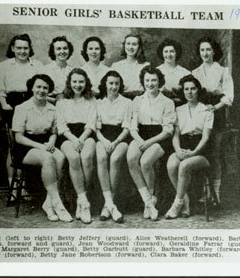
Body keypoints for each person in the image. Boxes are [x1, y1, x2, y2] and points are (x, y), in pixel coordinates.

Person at [12, 74, 72, 222]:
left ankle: (48, 203)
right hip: (26, 146)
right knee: (48, 158)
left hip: (45, 143)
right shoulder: (22, 108)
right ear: (32, 88)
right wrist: (41, 147)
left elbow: (53, 132)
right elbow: (18, 137)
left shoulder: (53, 109)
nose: (41, 90)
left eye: (45, 88)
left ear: (49, 90)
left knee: (60, 157)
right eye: (38, 86)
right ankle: (58, 205)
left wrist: (51, 143)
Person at [0, 33, 43, 197]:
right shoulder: (4, 65)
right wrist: (6, 107)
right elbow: (0, 92)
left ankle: (28, 186)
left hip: (32, 104)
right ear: (13, 48)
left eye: (26, 48)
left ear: (30, 49)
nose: (22, 51)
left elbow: (41, 86)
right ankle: (14, 188)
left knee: (31, 143)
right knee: (14, 147)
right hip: (12, 105)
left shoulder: (37, 65)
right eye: (19, 48)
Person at [127, 65, 176, 221]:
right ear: (143, 81)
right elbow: (132, 127)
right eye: (147, 80)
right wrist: (140, 140)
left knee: (145, 161)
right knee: (131, 158)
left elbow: (168, 130)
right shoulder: (137, 100)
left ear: (159, 81)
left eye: (154, 80)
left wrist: (148, 142)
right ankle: (149, 201)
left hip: (160, 137)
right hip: (140, 135)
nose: (150, 83)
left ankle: (151, 198)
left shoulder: (167, 102)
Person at [192, 36, 234, 206]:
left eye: (208, 49)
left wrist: (215, 107)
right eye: (202, 50)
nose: (205, 53)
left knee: (215, 153)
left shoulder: (223, 71)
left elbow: (229, 96)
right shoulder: (195, 72)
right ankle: (204, 191)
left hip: (217, 114)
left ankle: (215, 193)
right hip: (200, 114)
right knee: (201, 151)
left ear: (214, 51)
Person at [165, 75, 213, 219]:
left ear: (198, 90)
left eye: (193, 89)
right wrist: (178, 150)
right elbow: (176, 135)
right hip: (183, 145)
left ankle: (177, 204)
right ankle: (185, 200)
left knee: (184, 165)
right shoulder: (178, 110)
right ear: (183, 91)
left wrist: (194, 153)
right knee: (172, 164)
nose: (190, 92)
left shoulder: (206, 110)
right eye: (187, 89)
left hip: (201, 149)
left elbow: (206, 137)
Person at [56, 68, 97, 224]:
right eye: (75, 82)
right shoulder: (62, 102)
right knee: (73, 157)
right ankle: (84, 201)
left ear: (86, 82)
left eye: (81, 81)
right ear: (69, 83)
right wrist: (74, 139)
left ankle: (82, 202)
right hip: (68, 135)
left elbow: (91, 123)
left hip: (86, 134)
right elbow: (61, 125)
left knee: (86, 157)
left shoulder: (91, 100)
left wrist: (81, 138)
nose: (78, 85)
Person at [95, 71, 132, 223]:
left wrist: (115, 142)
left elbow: (127, 127)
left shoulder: (127, 102)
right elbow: (96, 128)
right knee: (102, 157)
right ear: (105, 84)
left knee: (115, 159)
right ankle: (109, 204)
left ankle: (109, 203)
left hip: (120, 137)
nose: (114, 86)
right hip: (102, 136)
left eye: (116, 83)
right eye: (111, 83)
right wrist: (104, 141)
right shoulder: (98, 102)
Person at [111, 33, 149, 100]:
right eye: (128, 44)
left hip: (141, 101)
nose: (131, 47)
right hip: (121, 101)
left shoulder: (146, 65)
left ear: (139, 47)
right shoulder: (116, 66)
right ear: (124, 45)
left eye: (134, 44)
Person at [156, 38, 190, 103]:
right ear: (162, 53)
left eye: (172, 51)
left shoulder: (185, 73)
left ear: (176, 53)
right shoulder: (156, 71)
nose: (169, 55)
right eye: (166, 52)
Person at [43, 36, 74, 104]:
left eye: (65, 48)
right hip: (49, 104)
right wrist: (55, 101)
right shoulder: (45, 70)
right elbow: (38, 94)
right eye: (58, 49)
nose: (62, 51)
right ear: (53, 51)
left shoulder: (73, 71)